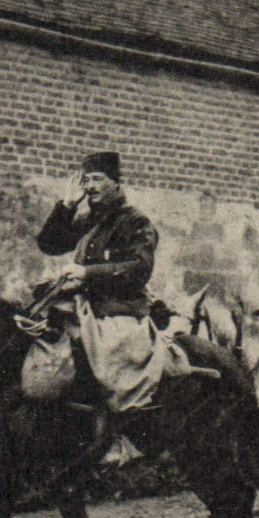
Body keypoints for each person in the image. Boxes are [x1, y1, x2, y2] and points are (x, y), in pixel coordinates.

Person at [34, 150, 204, 412]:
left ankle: (121, 423)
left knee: (115, 368)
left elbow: (140, 268)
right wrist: (66, 206)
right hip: (84, 304)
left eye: (98, 179)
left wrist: (87, 273)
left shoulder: (134, 220)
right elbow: (49, 244)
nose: (90, 187)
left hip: (118, 308)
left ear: (115, 183)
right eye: (87, 180)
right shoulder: (89, 219)